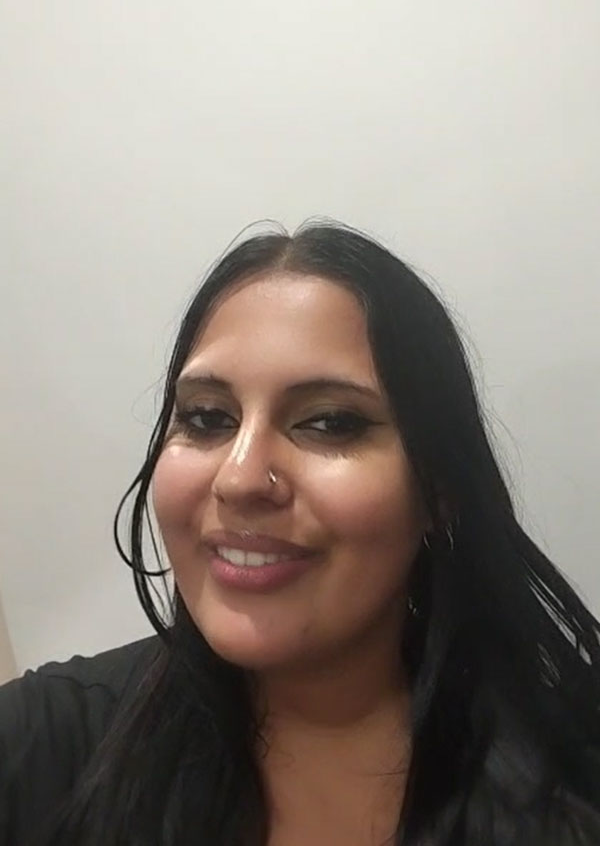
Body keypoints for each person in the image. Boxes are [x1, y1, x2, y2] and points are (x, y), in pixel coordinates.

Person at [1, 220, 599, 846]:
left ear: (439, 488)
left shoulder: (574, 773)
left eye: (330, 422)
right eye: (206, 418)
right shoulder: (39, 750)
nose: (240, 478)